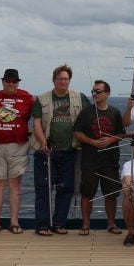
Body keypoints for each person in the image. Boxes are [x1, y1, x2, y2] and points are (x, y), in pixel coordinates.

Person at [31, 64, 90, 235]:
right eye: (60, 78)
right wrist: (43, 143)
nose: (63, 81)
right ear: (54, 80)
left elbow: (89, 117)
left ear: (69, 80)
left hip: (69, 151)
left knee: (66, 189)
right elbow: (36, 122)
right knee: (43, 189)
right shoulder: (42, 99)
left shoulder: (79, 98)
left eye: (66, 78)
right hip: (46, 152)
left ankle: (58, 223)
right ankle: (42, 225)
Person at [0, 68, 35, 235]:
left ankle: (14, 222)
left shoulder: (27, 98)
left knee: (15, 185)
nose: (11, 84)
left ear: (18, 82)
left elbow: (41, 117)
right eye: (8, 81)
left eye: (14, 81)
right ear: (3, 81)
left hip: (18, 146)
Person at [73, 80, 125, 235]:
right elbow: (77, 132)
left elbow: (121, 133)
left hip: (109, 160)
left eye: (98, 91)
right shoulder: (86, 112)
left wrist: (110, 140)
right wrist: (92, 142)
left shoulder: (115, 112)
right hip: (90, 161)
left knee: (111, 193)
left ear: (107, 94)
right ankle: (86, 225)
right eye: (93, 91)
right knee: (87, 193)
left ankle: (111, 223)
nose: (94, 94)